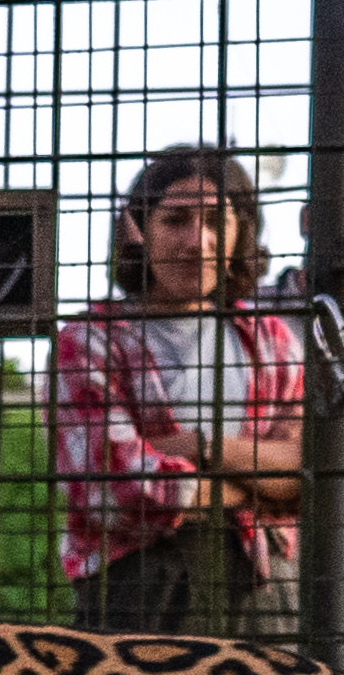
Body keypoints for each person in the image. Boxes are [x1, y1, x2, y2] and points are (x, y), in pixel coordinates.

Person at [50, 143, 304, 635]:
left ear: (239, 232)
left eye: (215, 221)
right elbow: (115, 492)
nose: (197, 241)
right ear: (137, 230)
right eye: (175, 221)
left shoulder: (271, 338)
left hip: (264, 585)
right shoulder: (89, 341)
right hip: (140, 589)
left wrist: (196, 447)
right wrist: (253, 484)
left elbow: (311, 471)